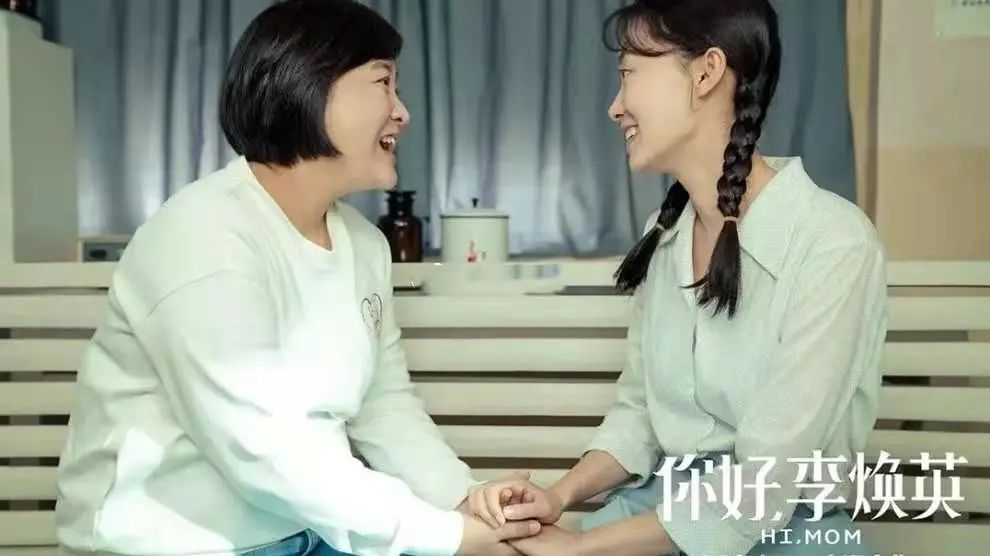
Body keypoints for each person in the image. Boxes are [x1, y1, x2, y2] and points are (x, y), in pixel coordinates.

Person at [54, 1, 538, 554]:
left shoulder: (364, 244)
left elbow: (384, 407)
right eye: (384, 82)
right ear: (310, 82)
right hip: (173, 542)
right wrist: (446, 537)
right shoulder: (204, 234)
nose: (402, 112)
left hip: (305, 532)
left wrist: (464, 500)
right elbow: (263, 449)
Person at [467, 1, 886, 555]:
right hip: (657, 513)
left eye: (628, 74)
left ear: (706, 72)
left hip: (783, 531)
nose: (615, 106)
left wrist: (579, 549)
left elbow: (766, 483)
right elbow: (640, 416)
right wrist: (557, 495)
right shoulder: (663, 237)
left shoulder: (833, 243)